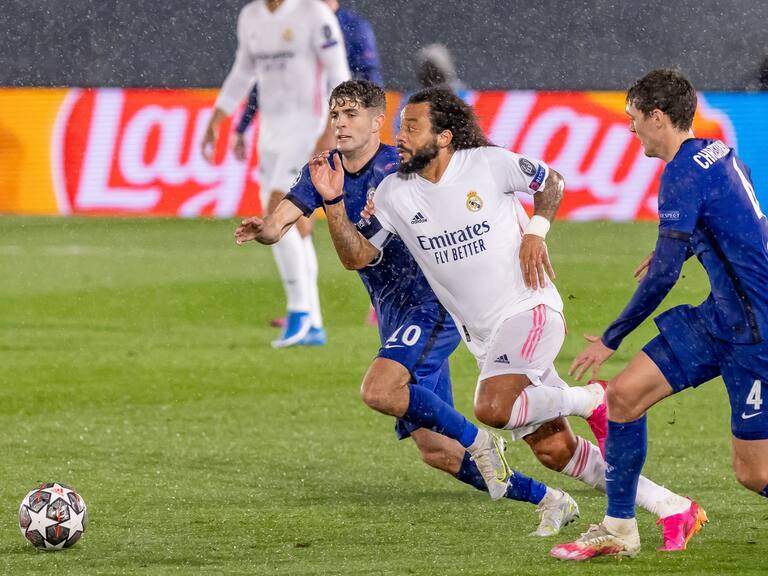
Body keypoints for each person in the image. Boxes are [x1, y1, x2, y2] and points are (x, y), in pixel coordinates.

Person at [307, 85, 702, 544]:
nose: (401, 136)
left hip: (529, 312)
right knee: (556, 451)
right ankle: (673, 507)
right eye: (401, 128)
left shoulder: (487, 164)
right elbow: (358, 256)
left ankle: (590, 399)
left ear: (446, 136)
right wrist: (333, 204)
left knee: (492, 409)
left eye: (411, 128)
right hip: (487, 341)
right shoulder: (394, 193)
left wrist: (536, 230)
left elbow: (552, 181)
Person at [235, 79, 579, 535]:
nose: (340, 123)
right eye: (335, 115)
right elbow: (286, 224)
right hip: (393, 311)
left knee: (380, 389)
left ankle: (483, 439)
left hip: (431, 304)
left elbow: (428, 211)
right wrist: (266, 229)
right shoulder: (323, 170)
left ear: (379, 122)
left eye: (351, 114)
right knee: (435, 449)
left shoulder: (399, 170)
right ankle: (550, 499)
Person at [549, 68, 768, 561]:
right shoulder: (718, 152)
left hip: (756, 333)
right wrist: (688, 242)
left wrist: (611, 337)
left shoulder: (682, 172)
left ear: (657, 116)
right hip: (721, 318)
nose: (630, 130)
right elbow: (747, 214)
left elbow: (664, 278)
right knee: (624, 397)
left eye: (633, 120)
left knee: (754, 474)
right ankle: (619, 528)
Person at [202, 0, 351, 348]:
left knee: (276, 212)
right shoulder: (251, 16)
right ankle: (313, 324)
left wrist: (331, 130)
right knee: (296, 226)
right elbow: (242, 71)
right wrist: (217, 117)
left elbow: (339, 74)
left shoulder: (314, 13)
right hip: (270, 135)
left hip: (307, 130)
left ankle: (298, 313)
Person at [232, 0, 383, 162]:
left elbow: (370, 80)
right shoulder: (292, 26)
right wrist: (242, 127)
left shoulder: (354, 28)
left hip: (338, 130)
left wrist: (350, 127)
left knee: (334, 183)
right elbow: (267, 78)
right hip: (295, 126)